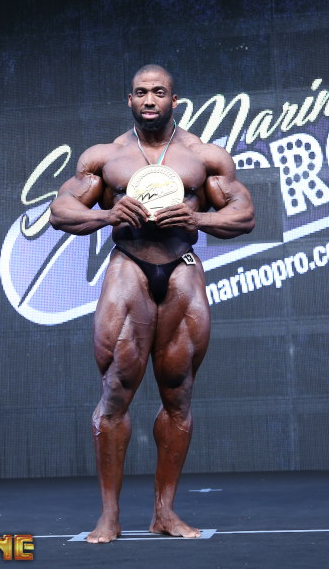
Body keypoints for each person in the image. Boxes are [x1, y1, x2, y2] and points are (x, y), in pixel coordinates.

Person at [49, 64, 255, 543]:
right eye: (141, 92)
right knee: (116, 388)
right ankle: (109, 516)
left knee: (178, 393)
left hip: (183, 266)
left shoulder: (203, 156)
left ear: (173, 100)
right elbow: (61, 210)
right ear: (129, 99)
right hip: (128, 266)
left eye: (158, 92)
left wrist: (199, 218)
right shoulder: (106, 157)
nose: (149, 100)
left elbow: (244, 213)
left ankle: (165, 512)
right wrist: (108, 214)